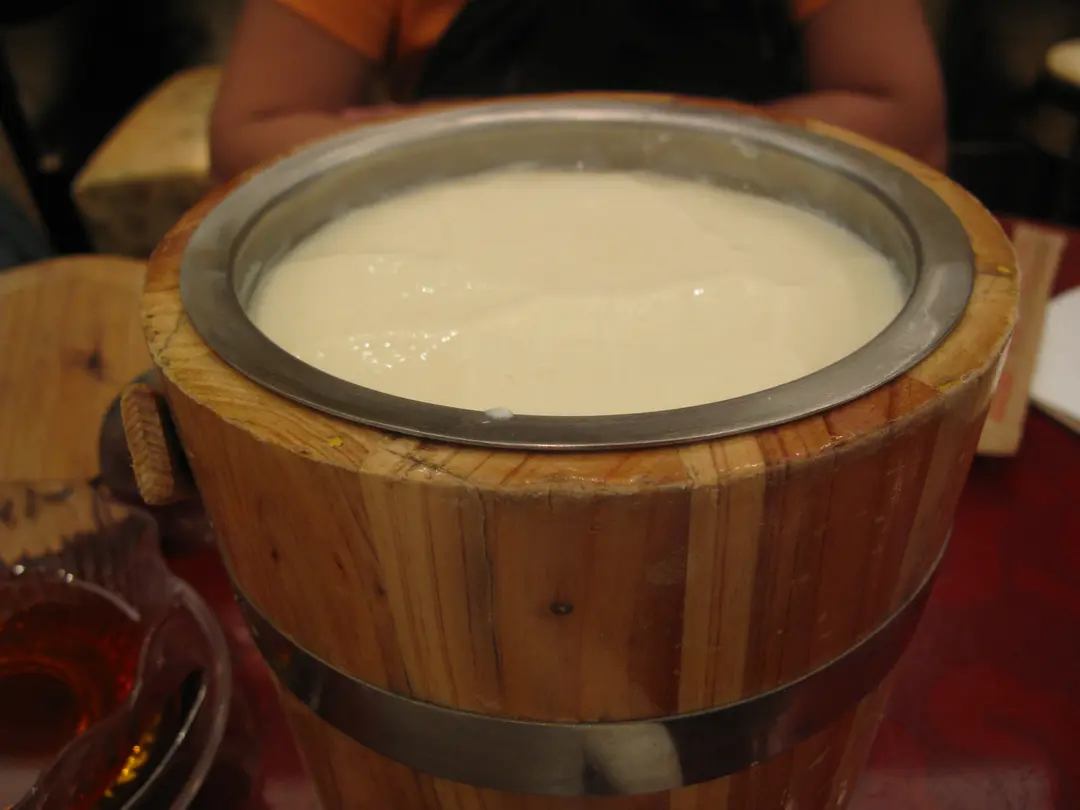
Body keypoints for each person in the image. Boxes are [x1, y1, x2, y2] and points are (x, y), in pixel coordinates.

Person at [210, 0, 947, 183]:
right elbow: (249, 138)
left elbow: (902, 116)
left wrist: (612, 145)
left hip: (761, 259)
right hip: (457, 268)